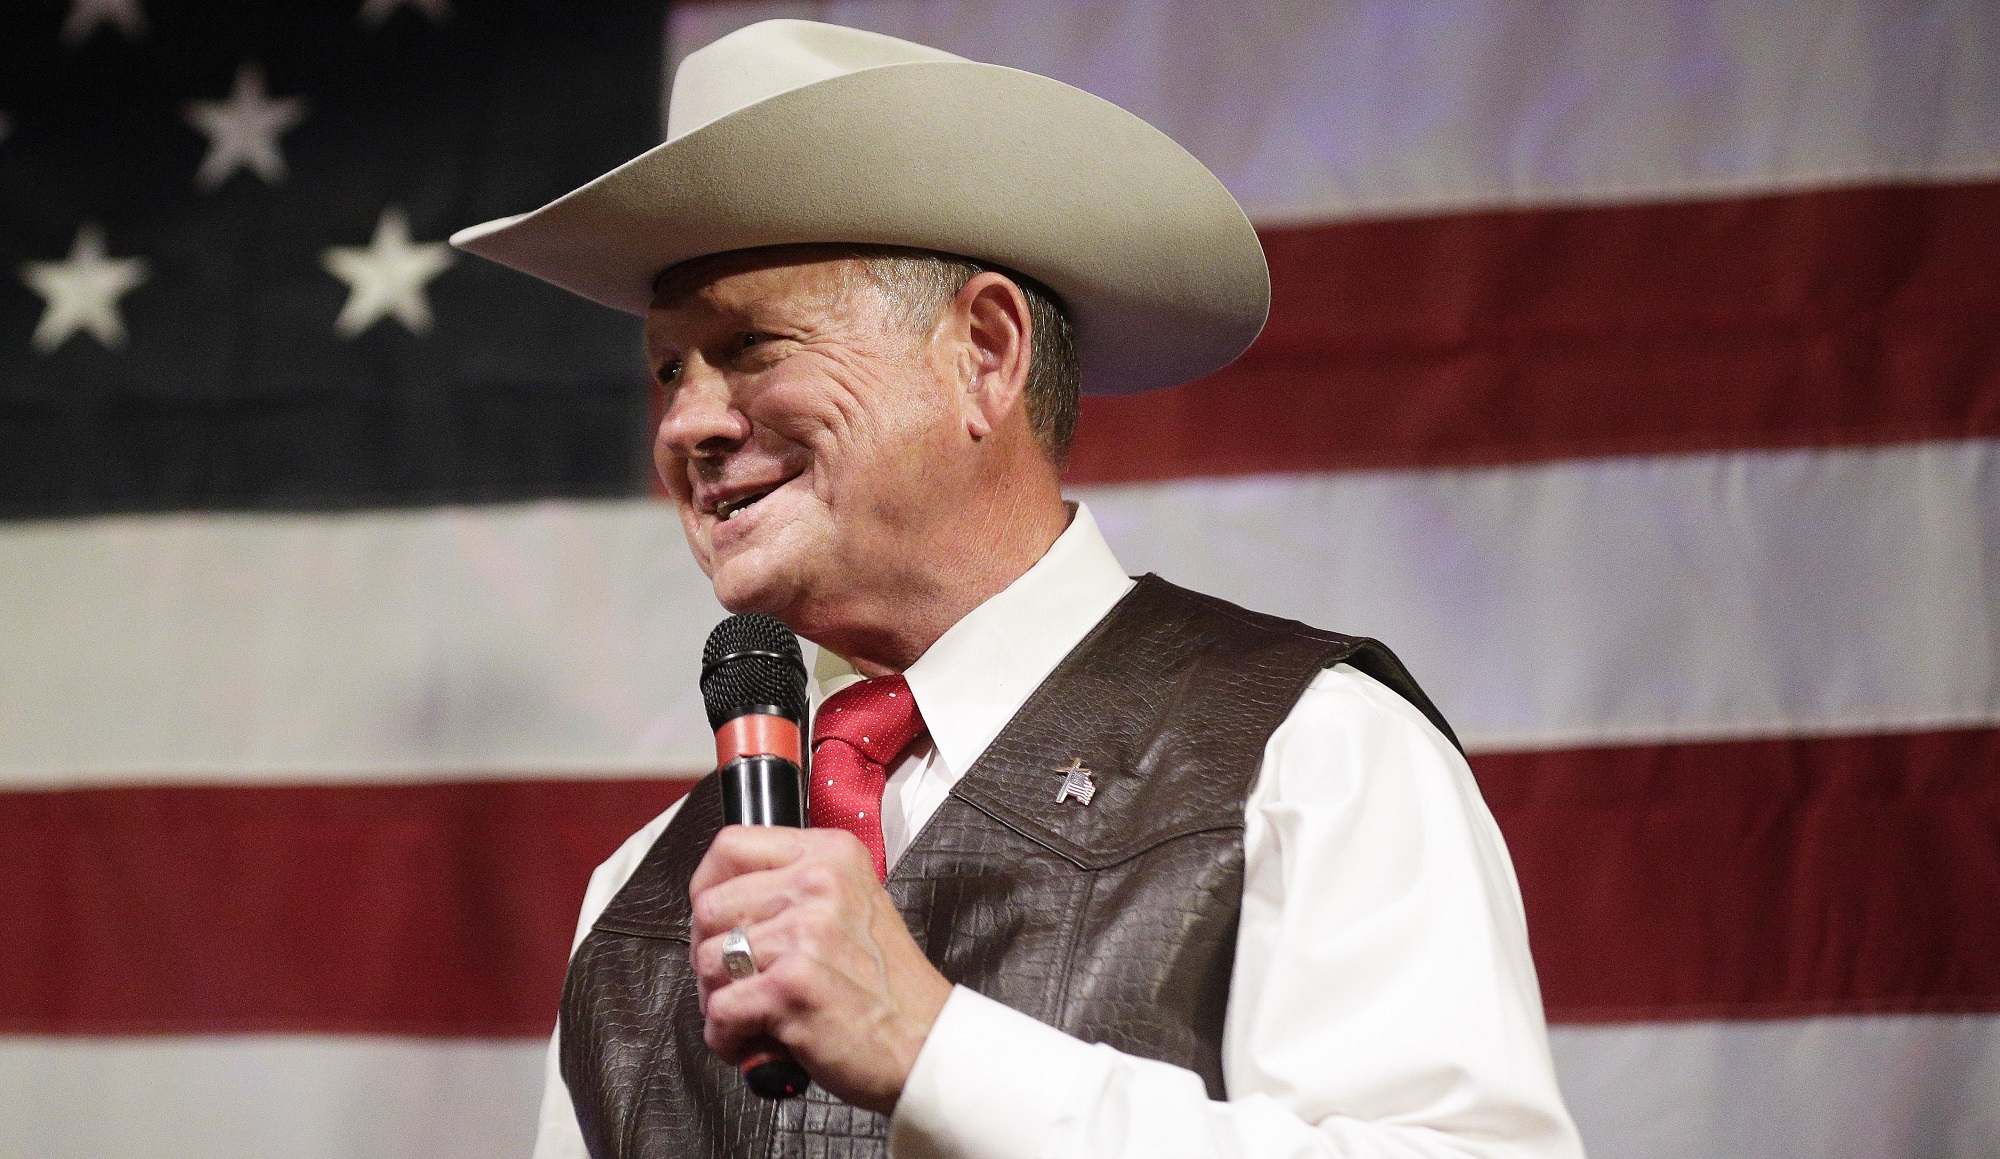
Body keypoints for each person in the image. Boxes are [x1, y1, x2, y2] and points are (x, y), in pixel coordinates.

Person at [452, 19, 1584, 1159]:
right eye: (667, 369)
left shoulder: (1311, 755)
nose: (686, 423)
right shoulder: (636, 901)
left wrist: (935, 1050)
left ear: (984, 353)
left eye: (750, 345)